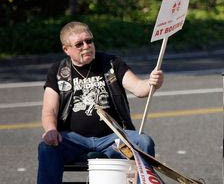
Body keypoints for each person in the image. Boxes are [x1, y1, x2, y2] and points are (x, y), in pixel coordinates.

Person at [38, 21, 164, 184]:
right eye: (79, 44)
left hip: (114, 139)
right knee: (46, 147)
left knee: (143, 142)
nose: (86, 46)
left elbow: (139, 88)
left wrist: (152, 82)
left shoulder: (111, 63)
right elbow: (50, 111)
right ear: (66, 49)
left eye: (89, 41)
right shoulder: (58, 71)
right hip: (74, 140)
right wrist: (50, 130)